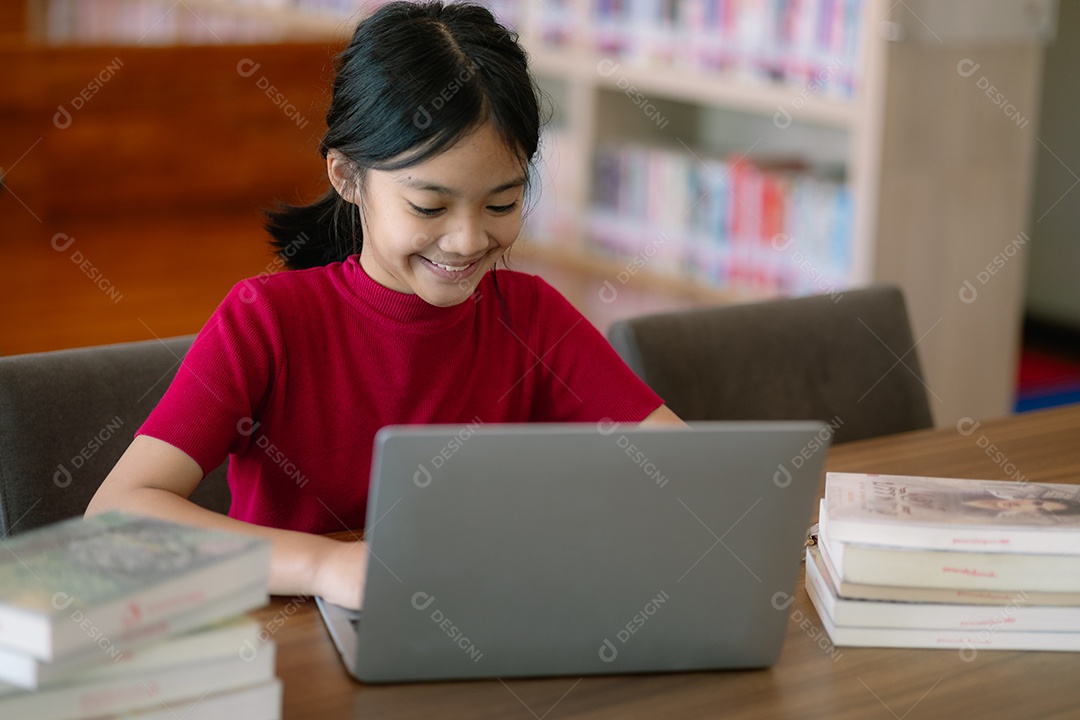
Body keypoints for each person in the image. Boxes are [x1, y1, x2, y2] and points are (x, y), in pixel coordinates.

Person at [86, 0, 681, 611]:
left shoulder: (532, 317)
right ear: (347, 177)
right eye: (429, 207)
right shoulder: (267, 320)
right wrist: (324, 565)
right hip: (287, 636)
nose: (468, 240)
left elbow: (687, 474)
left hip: (479, 620)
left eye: (501, 204)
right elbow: (116, 515)